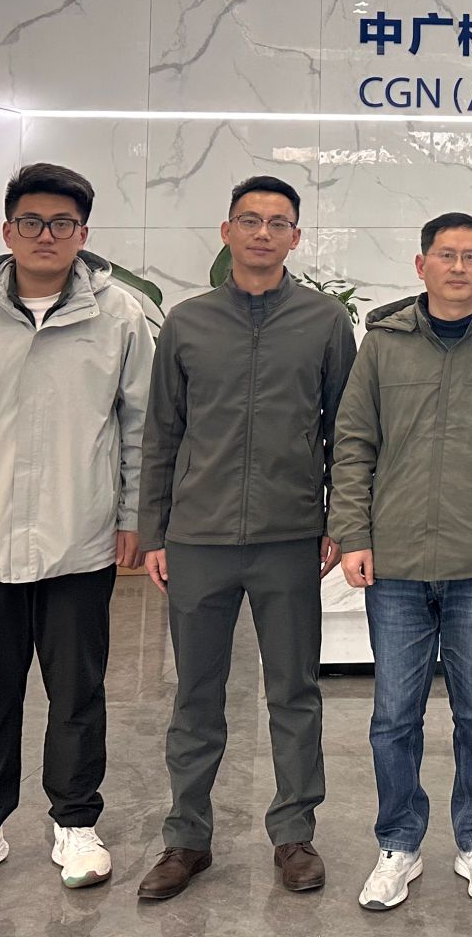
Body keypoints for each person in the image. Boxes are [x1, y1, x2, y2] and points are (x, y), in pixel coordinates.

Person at [0, 163, 153, 898]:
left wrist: (134, 518)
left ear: (83, 233)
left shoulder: (121, 316)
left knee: (77, 693)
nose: (47, 236)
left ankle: (75, 822)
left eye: (63, 223)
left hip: (81, 535)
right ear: (8, 230)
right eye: (33, 222)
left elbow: (142, 429)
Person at [134, 176, 358, 901]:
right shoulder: (188, 323)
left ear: (296, 236)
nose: (264, 233)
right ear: (227, 231)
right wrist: (154, 530)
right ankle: (185, 838)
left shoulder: (325, 322)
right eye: (250, 220)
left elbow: (346, 433)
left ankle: (294, 835)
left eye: (278, 222)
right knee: (196, 695)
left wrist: (339, 520)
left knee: (294, 692)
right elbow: (162, 432)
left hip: (288, 536)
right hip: (197, 538)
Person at [329, 212, 472, 911]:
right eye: (446, 255)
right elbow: (353, 445)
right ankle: (398, 844)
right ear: (420, 264)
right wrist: (353, 533)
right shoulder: (383, 346)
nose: (459, 267)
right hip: (394, 563)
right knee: (394, 714)